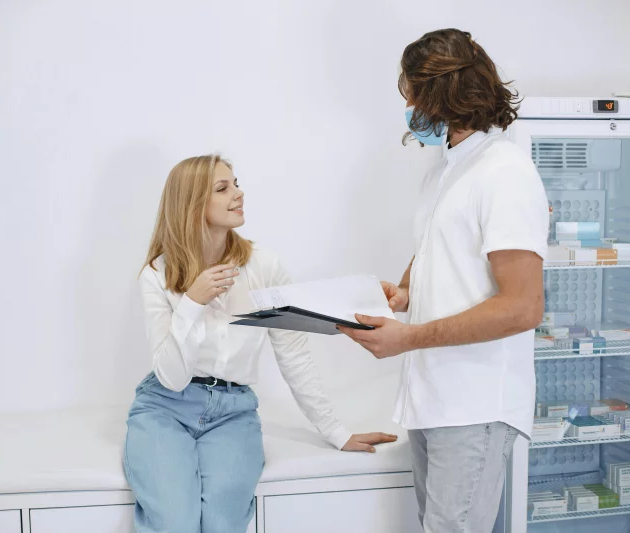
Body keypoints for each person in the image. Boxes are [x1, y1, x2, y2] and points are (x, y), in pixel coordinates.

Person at [338, 29, 548, 533]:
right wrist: (408, 291)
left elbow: (523, 307)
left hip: (474, 401)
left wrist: (408, 337)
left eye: (411, 92)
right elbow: (438, 245)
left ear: (441, 93)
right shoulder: (448, 169)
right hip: (433, 395)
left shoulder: (505, 172)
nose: (408, 104)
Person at [124, 154, 397, 533]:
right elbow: (170, 377)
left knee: (223, 525)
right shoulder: (158, 273)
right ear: (191, 204)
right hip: (165, 408)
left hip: (233, 414)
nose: (239, 193)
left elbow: (293, 354)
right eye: (223, 188)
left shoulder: (263, 266)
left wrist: (337, 432)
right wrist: (192, 303)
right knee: (174, 523)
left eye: (236, 183)